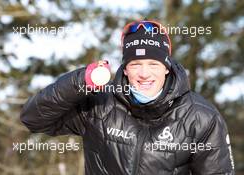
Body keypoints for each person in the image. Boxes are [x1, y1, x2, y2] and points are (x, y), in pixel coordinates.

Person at [20, 20, 235, 175]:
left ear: (167, 68)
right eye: (135, 65)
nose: (144, 73)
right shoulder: (99, 105)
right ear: (125, 69)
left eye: (153, 64)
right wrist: (80, 82)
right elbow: (34, 118)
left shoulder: (201, 117)